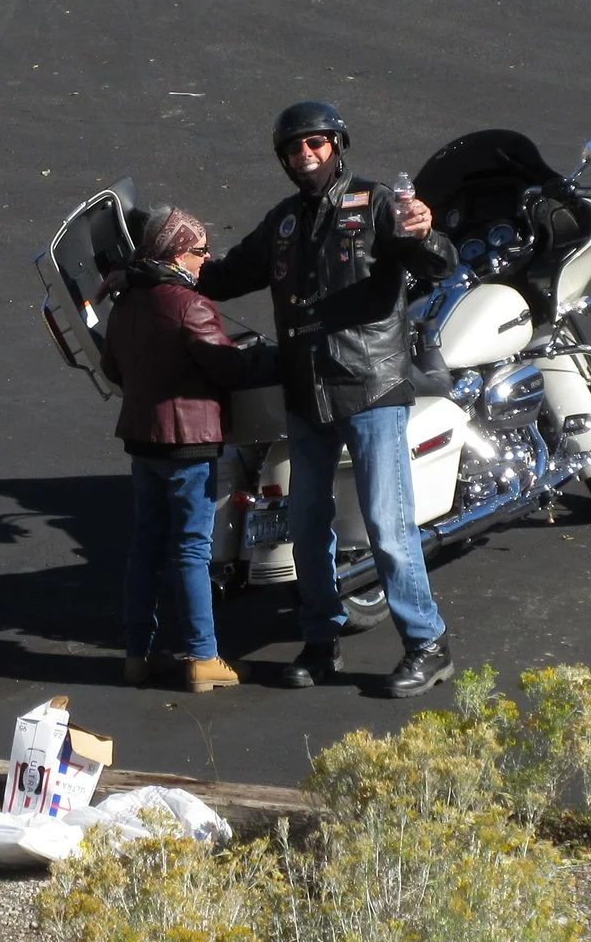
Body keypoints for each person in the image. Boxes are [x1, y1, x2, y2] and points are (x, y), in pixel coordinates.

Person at [197, 101, 459, 696]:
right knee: (308, 528)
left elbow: (437, 263)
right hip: (305, 396)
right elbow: (221, 276)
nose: (305, 155)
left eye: (316, 143)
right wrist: (160, 268)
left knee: (388, 528)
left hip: (372, 388)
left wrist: (426, 231)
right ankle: (321, 643)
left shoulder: (376, 204)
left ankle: (427, 643)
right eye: (294, 148)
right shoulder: (282, 223)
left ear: (337, 146)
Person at [99, 207, 277, 692]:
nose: (207, 259)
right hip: (188, 446)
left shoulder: (127, 303)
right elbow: (227, 370)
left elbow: (113, 369)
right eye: (200, 251)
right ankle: (202, 657)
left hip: (142, 441)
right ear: (178, 253)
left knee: (146, 548)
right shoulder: (190, 305)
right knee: (192, 551)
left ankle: (138, 655)